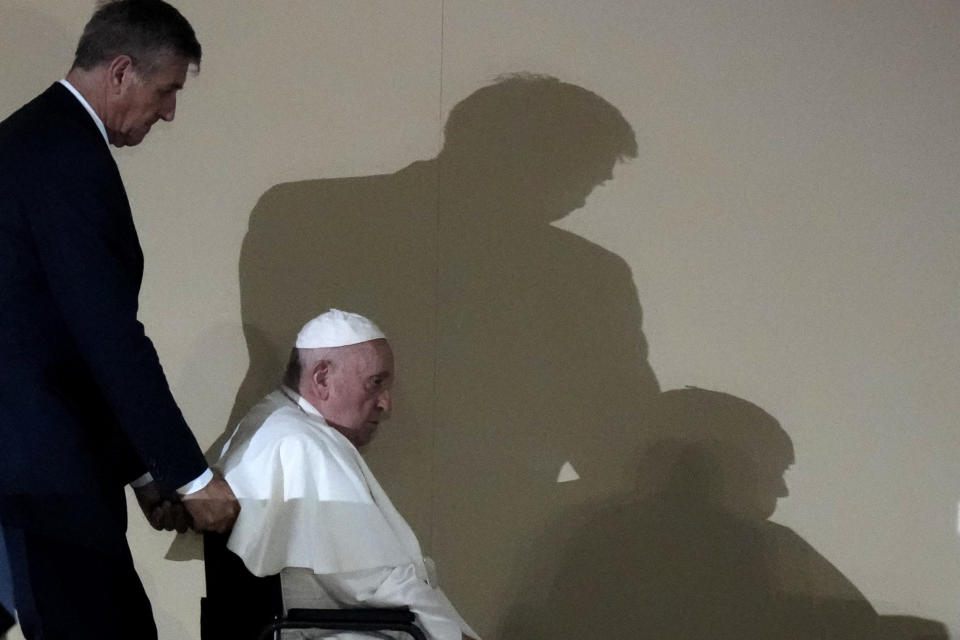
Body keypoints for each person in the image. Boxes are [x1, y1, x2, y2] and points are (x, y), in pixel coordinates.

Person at [0, 1, 239, 638]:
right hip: (41, 475)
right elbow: (106, 337)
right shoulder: (64, 156)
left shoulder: (31, 141)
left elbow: (61, 341)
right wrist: (189, 475)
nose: (169, 112)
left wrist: (141, 470)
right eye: (166, 92)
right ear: (122, 71)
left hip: (30, 466)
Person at [218, 309, 479, 640]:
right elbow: (376, 583)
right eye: (375, 383)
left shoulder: (273, 420)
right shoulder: (301, 444)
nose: (386, 404)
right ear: (322, 378)